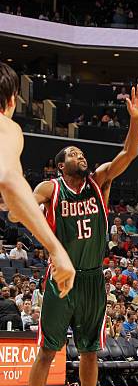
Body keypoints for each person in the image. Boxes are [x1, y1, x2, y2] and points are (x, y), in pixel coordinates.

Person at [19, 85, 138, 386]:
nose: (81, 155)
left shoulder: (99, 183)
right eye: (73, 153)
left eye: (81, 152)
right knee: (47, 352)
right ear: (61, 165)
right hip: (62, 279)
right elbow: (23, 204)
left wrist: (135, 121)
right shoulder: (51, 188)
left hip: (93, 278)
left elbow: (129, 153)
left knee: (90, 351)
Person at [0, 61, 75, 300]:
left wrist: (15, 207)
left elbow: (10, 197)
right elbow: (10, 180)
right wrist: (56, 250)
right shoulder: (6, 126)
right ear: (12, 100)